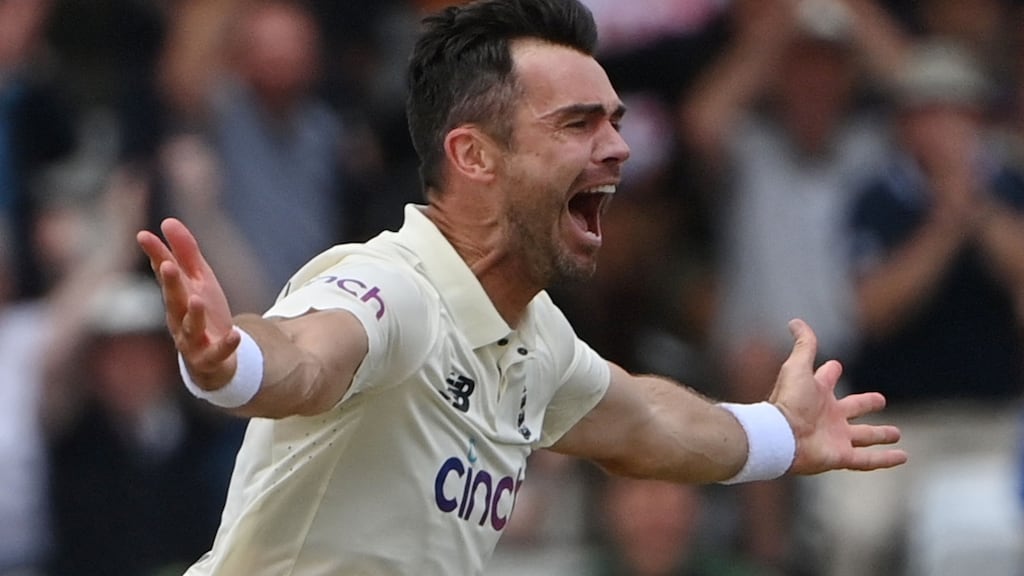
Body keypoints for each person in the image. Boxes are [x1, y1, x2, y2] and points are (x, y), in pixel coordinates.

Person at [136, 1, 907, 574]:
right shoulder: (393, 288)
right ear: (474, 156)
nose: (619, 148)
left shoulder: (538, 342)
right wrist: (231, 362)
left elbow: (647, 423)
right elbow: (306, 357)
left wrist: (779, 435)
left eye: (615, 122)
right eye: (577, 125)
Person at [813, 39, 1024, 576]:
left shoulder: (1012, 186)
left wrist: (975, 207)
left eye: (956, 111)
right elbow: (874, 310)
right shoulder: (875, 199)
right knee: (856, 533)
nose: (942, 127)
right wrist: (946, 223)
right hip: (896, 418)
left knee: (992, 543)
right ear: (904, 123)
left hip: (994, 418)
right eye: (927, 112)